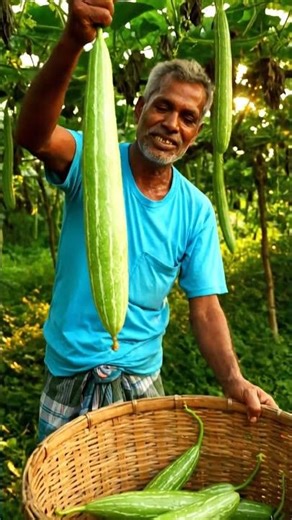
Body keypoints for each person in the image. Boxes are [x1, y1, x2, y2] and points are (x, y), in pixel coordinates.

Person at [15, 0, 278, 441]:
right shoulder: (90, 161)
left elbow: (207, 306)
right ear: (139, 108)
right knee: (62, 505)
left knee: (140, 493)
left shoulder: (195, 210)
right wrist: (72, 43)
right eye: (163, 107)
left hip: (141, 378)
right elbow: (33, 135)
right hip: (69, 373)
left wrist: (233, 379)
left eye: (188, 118)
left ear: (197, 133)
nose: (172, 124)